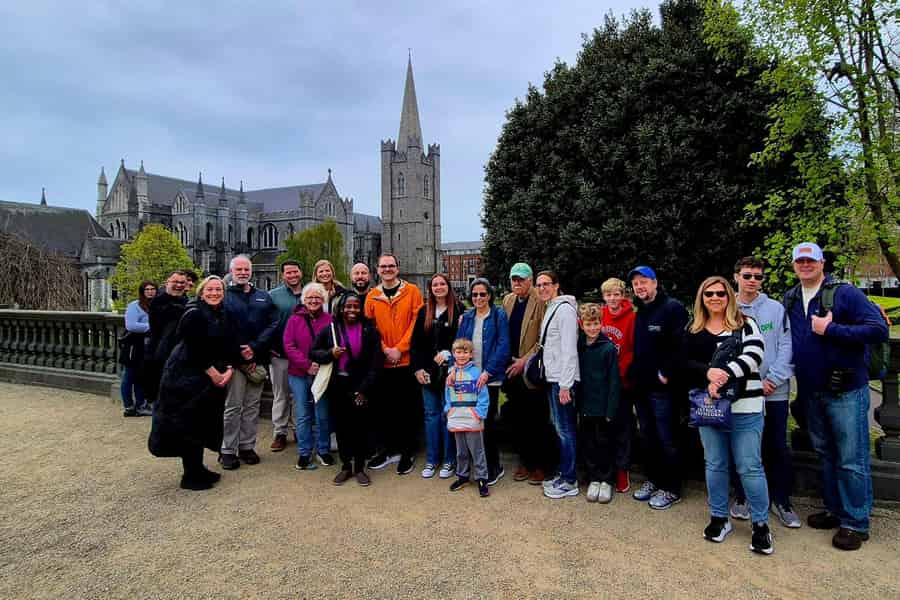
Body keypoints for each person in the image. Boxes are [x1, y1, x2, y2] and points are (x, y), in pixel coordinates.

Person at [784, 242, 888, 551]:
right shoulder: (791, 297)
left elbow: (878, 330)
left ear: (822, 263)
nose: (805, 265)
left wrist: (832, 330)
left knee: (851, 458)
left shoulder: (845, 293)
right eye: (800, 261)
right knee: (826, 454)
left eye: (811, 260)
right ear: (794, 265)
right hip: (811, 390)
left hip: (846, 390)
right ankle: (835, 510)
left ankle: (855, 523)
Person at [684, 276, 772, 555]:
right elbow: (683, 361)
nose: (715, 298)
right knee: (715, 464)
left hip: (745, 407)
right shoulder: (693, 328)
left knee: (749, 466)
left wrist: (723, 375)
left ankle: (760, 524)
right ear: (702, 298)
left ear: (729, 296)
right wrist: (707, 373)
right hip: (710, 407)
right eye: (709, 293)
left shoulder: (746, 323)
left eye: (720, 293)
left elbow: (754, 354)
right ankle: (719, 517)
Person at [148, 276, 241, 491]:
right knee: (188, 423)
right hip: (186, 377)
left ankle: (198, 468)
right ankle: (190, 475)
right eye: (210, 289)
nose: (214, 293)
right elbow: (193, 348)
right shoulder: (194, 313)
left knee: (201, 423)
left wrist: (229, 368)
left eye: (218, 290)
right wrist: (214, 374)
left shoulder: (222, 313)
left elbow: (230, 343)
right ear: (201, 292)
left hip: (207, 376)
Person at [728, 257, 799, 528]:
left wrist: (773, 379)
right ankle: (743, 495)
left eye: (758, 277)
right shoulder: (728, 306)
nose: (752, 281)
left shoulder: (775, 309)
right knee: (743, 445)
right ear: (736, 276)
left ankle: (781, 499)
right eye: (747, 275)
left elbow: (786, 346)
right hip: (742, 392)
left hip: (774, 391)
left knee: (776, 445)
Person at [627, 265, 689, 510]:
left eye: (644, 281)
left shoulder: (672, 308)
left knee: (667, 438)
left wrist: (666, 373)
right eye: (636, 284)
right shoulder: (641, 310)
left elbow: (681, 345)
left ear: (655, 282)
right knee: (648, 436)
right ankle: (654, 480)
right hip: (641, 387)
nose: (639, 286)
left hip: (663, 389)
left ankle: (672, 488)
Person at [310, 292, 382, 487]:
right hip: (338, 384)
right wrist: (329, 354)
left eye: (356, 306)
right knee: (342, 427)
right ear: (341, 309)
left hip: (362, 384)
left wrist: (364, 389)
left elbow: (376, 363)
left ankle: (359, 467)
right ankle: (345, 466)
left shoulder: (369, 330)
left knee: (360, 427)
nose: (352, 310)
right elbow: (313, 352)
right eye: (348, 306)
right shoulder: (331, 329)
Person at [364, 254, 424, 475]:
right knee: (385, 409)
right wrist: (385, 349)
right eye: (383, 266)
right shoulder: (372, 296)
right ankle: (389, 450)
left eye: (391, 266)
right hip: (383, 362)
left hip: (406, 360)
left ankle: (407, 452)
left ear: (398, 268)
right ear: (377, 269)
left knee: (407, 409)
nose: (387, 269)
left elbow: (416, 322)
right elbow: (369, 327)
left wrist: (400, 348)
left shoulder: (413, 292)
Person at [219, 255, 279, 470]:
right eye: (239, 270)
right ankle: (227, 450)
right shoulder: (224, 297)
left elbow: (273, 324)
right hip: (234, 362)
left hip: (257, 359)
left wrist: (254, 348)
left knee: (252, 406)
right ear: (231, 271)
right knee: (233, 407)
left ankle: (246, 446)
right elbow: (222, 329)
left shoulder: (263, 296)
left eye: (246, 269)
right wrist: (240, 355)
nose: (243, 273)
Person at [501, 262, 555, 485]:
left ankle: (541, 465)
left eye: (521, 279)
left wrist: (524, 361)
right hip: (511, 369)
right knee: (518, 419)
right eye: (514, 279)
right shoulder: (508, 300)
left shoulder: (540, 300)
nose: (517, 283)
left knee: (537, 419)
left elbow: (543, 338)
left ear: (530, 280)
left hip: (531, 369)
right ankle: (525, 460)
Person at [411, 273, 465, 479]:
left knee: (447, 414)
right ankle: (432, 459)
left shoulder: (459, 310)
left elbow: (464, 341)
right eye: (435, 285)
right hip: (427, 373)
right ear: (430, 289)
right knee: (431, 415)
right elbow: (416, 344)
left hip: (450, 373)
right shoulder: (424, 311)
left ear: (448, 287)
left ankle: (450, 459)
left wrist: (450, 353)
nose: (439, 287)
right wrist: (418, 369)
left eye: (442, 284)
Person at [457, 278, 510, 485]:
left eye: (482, 294)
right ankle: (478, 465)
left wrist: (488, 372)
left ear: (489, 296)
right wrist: (456, 370)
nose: (478, 298)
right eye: (475, 294)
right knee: (473, 423)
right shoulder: (468, 317)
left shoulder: (498, 315)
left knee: (488, 423)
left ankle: (494, 466)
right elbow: (459, 345)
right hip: (470, 378)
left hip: (490, 378)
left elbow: (503, 346)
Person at [535, 270, 580, 500]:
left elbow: (569, 350)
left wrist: (565, 385)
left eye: (546, 284)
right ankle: (564, 473)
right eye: (539, 285)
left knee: (566, 430)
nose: (542, 288)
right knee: (560, 428)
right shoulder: (551, 307)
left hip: (562, 380)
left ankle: (570, 479)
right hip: (553, 377)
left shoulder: (564, 311)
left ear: (556, 285)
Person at [284, 282, 334, 470]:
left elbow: (333, 345)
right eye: (310, 297)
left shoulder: (329, 320)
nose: (313, 300)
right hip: (299, 373)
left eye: (317, 297)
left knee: (322, 414)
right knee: (303, 414)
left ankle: (323, 449)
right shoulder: (294, 319)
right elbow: (289, 345)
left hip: (322, 373)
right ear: (304, 299)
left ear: (323, 299)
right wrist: (306, 365)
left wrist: (321, 362)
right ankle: (304, 452)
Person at [577, 303, 621, 504]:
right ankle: (594, 478)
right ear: (582, 324)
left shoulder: (608, 348)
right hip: (585, 404)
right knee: (589, 443)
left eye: (596, 324)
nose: (592, 328)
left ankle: (607, 479)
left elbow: (614, 381)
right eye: (588, 324)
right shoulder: (579, 346)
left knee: (604, 442)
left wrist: (611, 409)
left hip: (603, 406)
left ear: (601, 324)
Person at [599, 277, 636, 493]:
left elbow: (632, 349)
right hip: (601, 382)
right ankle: (605, 469)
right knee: (603, 428)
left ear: (623, 296)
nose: (612, 298)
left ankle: (622, 469)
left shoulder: (632, 317)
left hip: (622, 382)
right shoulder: (601, 314)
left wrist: (621, 373)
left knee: (622, 427)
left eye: (616, 294)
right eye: (608, 294)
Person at [444, 338, 491, 498]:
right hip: (456, 417)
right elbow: (447, 394)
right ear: (453, 354)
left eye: (465, 352)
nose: (462, 355)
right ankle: (462, 476)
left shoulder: (477, 373)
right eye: (458, 352)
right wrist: (448, 410)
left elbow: (483, 396)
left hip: (472, 418)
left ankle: (482, 479)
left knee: (477, 451)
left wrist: (479, 413)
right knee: (461, 451)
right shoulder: (451, 374)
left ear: (471, 354)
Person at [268, 260, 304, 452]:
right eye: (288, 272)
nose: (292, 275)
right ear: (283, 275)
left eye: (295, 271)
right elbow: (266, 323)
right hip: (279, 354)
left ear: (301, 272)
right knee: (280, 395)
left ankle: (300, 429)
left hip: (302, 356)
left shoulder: (309, 293)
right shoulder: (273, 296)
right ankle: (280, 432)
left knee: (300, 395)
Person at [144, 270, 189, 405]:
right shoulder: (158, 302)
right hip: (161, 356)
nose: (179, 285)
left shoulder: (186, 301)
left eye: (182, 282)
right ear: (167, 283)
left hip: (181, 356)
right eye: (175, 282)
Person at [120, 280, 156, 417]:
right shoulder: (134, 306)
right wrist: (151, 327)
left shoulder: (156, 305)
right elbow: (131, 325)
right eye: (147, 289)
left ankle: (141, 405)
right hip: (134, 345)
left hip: (148, 345)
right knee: (129, 376)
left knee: (141, 376)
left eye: (152, 289)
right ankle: (128, 406)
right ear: (142, 291)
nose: (150, 292)